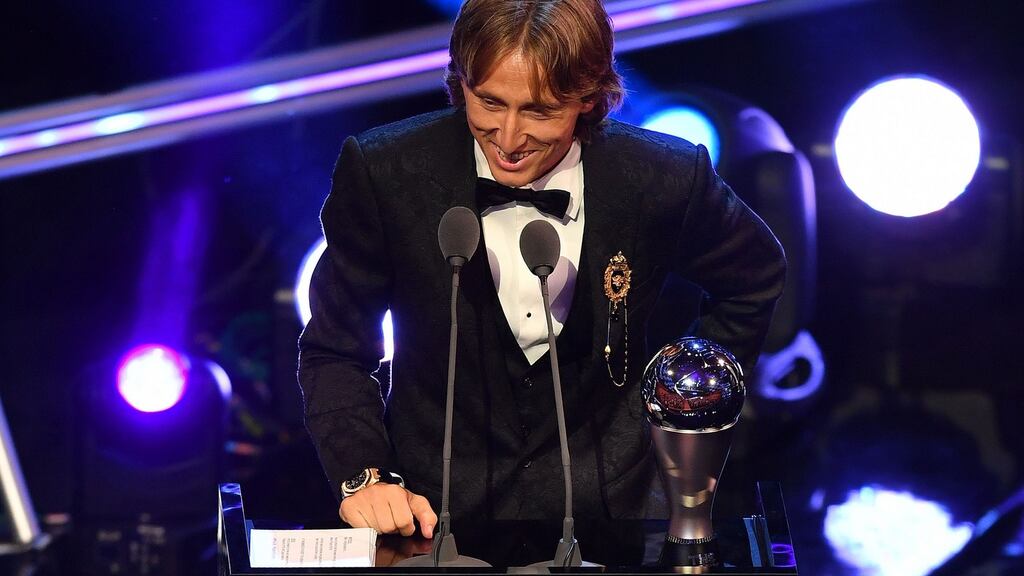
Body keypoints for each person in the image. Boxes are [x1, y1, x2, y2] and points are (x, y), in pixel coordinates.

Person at [298, 0, 785, 540]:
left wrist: (682, 399)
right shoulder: (386, 172)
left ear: (590, 97)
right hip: (430, 521)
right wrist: (364, 477)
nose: (508, 139)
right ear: (460, 81)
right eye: (488, 102)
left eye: (539, 111)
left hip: (615, 517)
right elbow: (335, 348)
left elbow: (755, 277)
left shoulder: (663, 177)